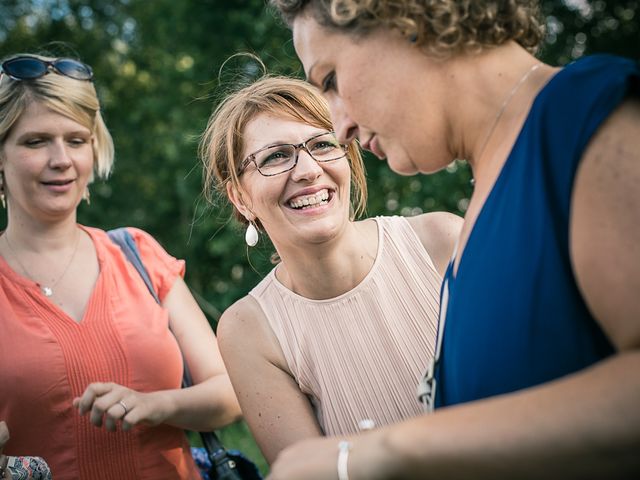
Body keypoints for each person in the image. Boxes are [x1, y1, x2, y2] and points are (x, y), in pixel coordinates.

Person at [265, 0, 640, 479]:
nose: (340, 127)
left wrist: (383, 451)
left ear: (404, 19)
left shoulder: (584, 118)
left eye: (331, 79)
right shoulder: (487, 191)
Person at [0, 53, 241, 479]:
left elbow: (230, 393)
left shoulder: (139, 255)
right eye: (36, 141)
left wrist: (156, 404)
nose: (62, 160)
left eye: (76, 140)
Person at [199, 75, 461, 463]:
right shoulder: (248, 330)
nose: (307, 169)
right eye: (275, 156)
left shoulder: (442, 242)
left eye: (323, 144)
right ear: (240, 197)